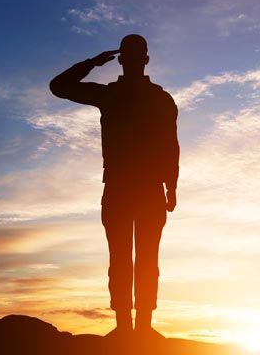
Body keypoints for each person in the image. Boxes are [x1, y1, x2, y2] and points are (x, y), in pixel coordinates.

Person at [49, 34, 179, 340]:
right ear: (144, 59)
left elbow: (59, 86)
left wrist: (93, 63)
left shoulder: (119, 96)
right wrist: (171, 186)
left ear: (122, 60)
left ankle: (136, 326)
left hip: (133, 189)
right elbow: (171, 147)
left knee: (131, 258)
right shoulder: (148, 98)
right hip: (135, 188)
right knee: (135, 258)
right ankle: (131, 325)